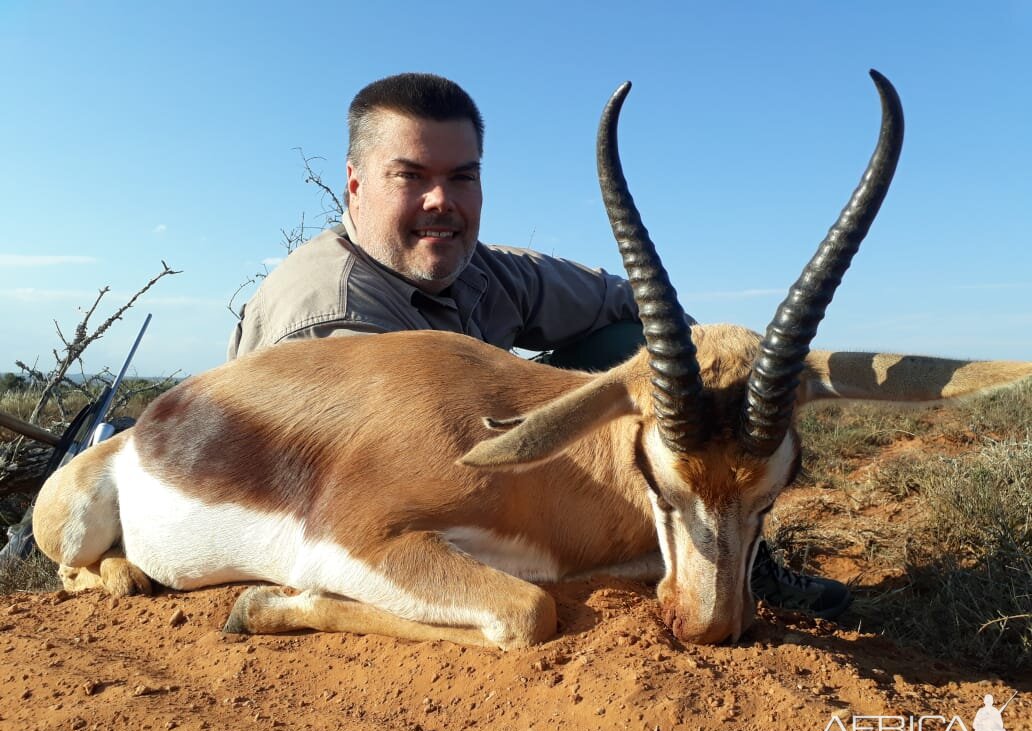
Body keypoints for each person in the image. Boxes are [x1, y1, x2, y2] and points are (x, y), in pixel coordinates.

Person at [228, 72, 850, 620]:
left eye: (461, 176)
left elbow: (622, 300)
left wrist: (723, 383)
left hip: (487, 455)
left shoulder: (478, 269)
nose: (440, 200)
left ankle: (732, 549)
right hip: (373, 497)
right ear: (355, 184)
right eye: (410, 177)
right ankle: (677, 548)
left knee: (639, 344)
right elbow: (371, 511)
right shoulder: (328, 316)